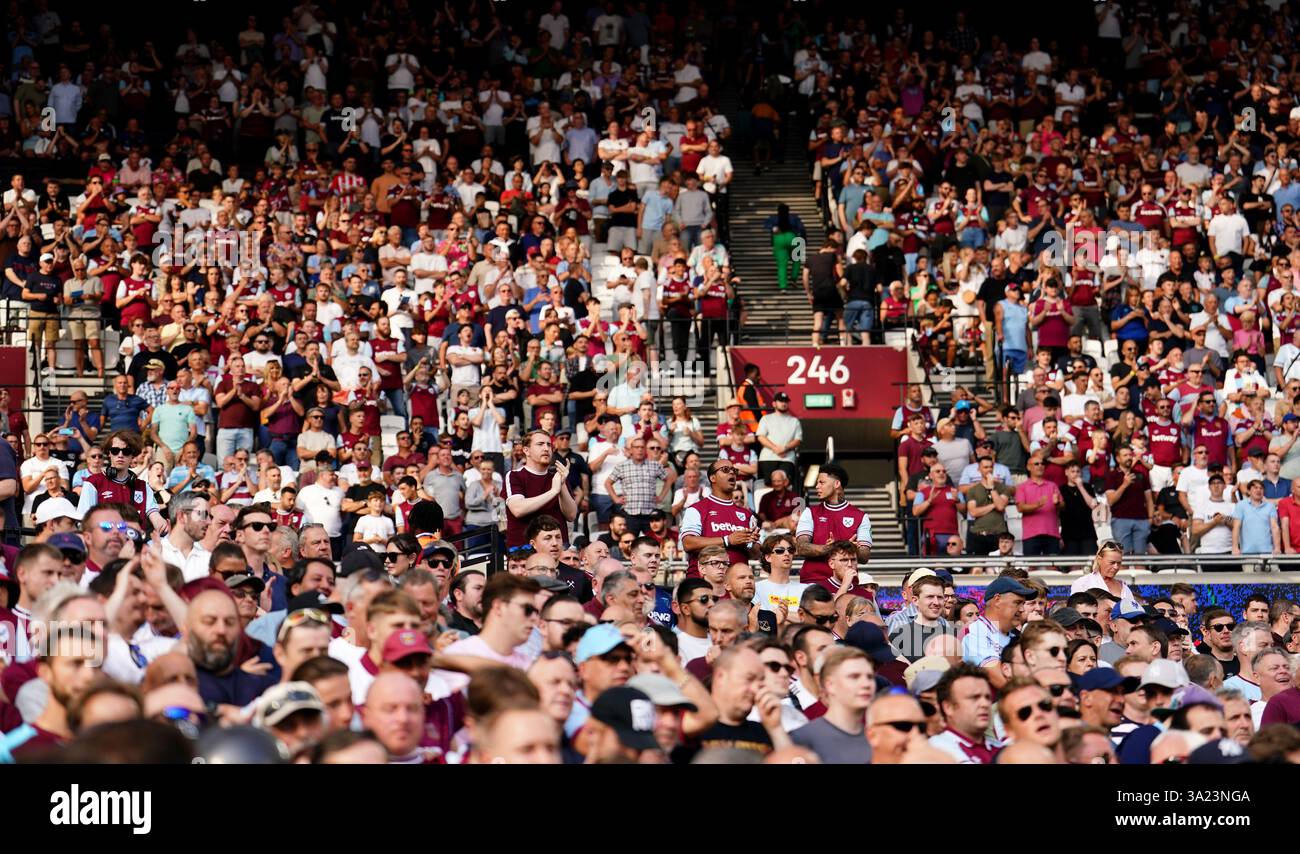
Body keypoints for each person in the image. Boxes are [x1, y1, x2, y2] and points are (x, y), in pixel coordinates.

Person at [788, 647, 875, 763]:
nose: (866, 684)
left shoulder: (877, 737)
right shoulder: (803, 738)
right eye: (854, 677)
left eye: (870, 677)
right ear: (830, 685)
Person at [792, 463, 872, 587]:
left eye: (821, 482)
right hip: (813, 582)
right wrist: (833, 548)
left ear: (836, 484)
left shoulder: (861, 517)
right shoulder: (809, 512)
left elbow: (865, 556)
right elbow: (801, 547)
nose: (817, 486)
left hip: (848, 583)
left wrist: (851, 548)